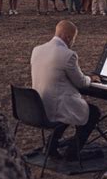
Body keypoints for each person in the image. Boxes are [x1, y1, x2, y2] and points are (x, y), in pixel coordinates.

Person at [31, 20, 101, 160]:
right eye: (73, 38)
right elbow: (81, 83)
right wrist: (90, 78)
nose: (73, 42)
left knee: (70, 107)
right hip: (56, 106)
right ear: (68, 37)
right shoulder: (68, 55)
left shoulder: (37, 49)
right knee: (92, 112)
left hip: (38, 105)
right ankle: (73, 152)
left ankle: (51, 145)